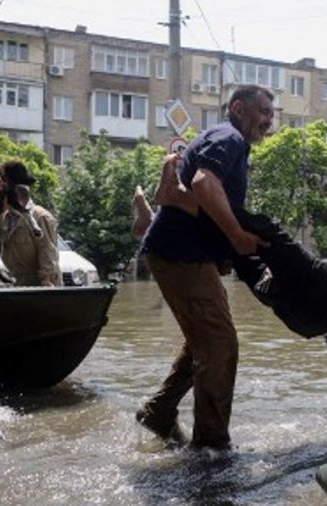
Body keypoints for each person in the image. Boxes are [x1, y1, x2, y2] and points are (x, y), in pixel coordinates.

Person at [132, 156, 327, 348]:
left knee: (263, 228)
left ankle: (174, 197)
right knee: (236, 245)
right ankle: (151, 225)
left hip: (325, 297)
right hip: (298, 313)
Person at [135, 85, 272, 450]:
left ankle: (160, 411)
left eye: (272, 115)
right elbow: (203, 182)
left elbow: (201, 198)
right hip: (180, 253)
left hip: (185, 253)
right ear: (239, 108)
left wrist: (223, 251)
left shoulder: (226, 141)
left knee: (205, 341)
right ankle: (211, 449)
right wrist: (239, 236)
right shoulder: (229, 137)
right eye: (263, 112)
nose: (269, 122)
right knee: (220, 345)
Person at [0, 185, 61, 286]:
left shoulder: (40, 216)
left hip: (41, 280)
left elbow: (47, 249)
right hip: (19, 279)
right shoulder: (3, 218)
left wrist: (46, 279)